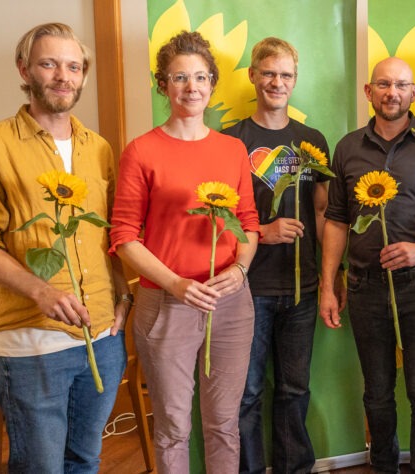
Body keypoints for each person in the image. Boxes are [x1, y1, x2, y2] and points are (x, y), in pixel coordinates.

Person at [0, 22, 128, 472]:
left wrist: (124, 295)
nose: (63, 75)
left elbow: (110, 233)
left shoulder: (99, 149)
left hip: (103, 337)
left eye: (73, 66)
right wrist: (42, 291)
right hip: (33, 342)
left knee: (85, 461)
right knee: (39, 467)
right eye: (49, 63)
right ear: (25, 68)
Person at [109, 31, 259, 473]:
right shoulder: (141, 151)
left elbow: (248, 222)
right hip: (167, 302)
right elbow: (123, 236)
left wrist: (241, 270)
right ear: (163, 85)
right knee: (173, 426)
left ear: (212, 83)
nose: (191, 86)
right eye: (179, 77)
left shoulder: (232, 150)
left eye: (199, 77)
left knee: (225, 424)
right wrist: (175, 283)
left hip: (231, 302)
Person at [319, 57, 415, 473]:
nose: (392, 92)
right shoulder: (347, 147)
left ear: (413, 93)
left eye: (401, 85)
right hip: (366, 289)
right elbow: (336, 220)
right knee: (378, 393)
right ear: (369, 92)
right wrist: (328, 285)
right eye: (383, 84)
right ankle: (383, 466)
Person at [222, 37, 340, 473]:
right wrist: (262, 232)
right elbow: (221, 217)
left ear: (295, 80)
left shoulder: (311, 141)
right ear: (253, 75)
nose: (276, 82)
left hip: (302, 291)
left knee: (294, 390)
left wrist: (331, 279)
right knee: (247, 393)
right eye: (268, 73)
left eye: (285, 75)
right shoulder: (230, 140)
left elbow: (326, 211)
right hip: (247, 290)